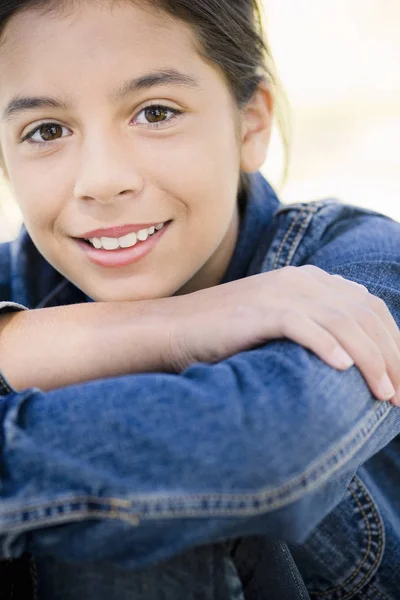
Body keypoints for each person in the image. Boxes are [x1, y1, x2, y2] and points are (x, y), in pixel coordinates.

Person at [0, 0, 399, 598]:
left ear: (251, 125)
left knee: (145, 522)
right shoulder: (15, 281)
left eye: (155, 112)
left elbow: (266, 447)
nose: (102, 180)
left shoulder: (360, 262)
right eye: (47, 131)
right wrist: (171, 326)